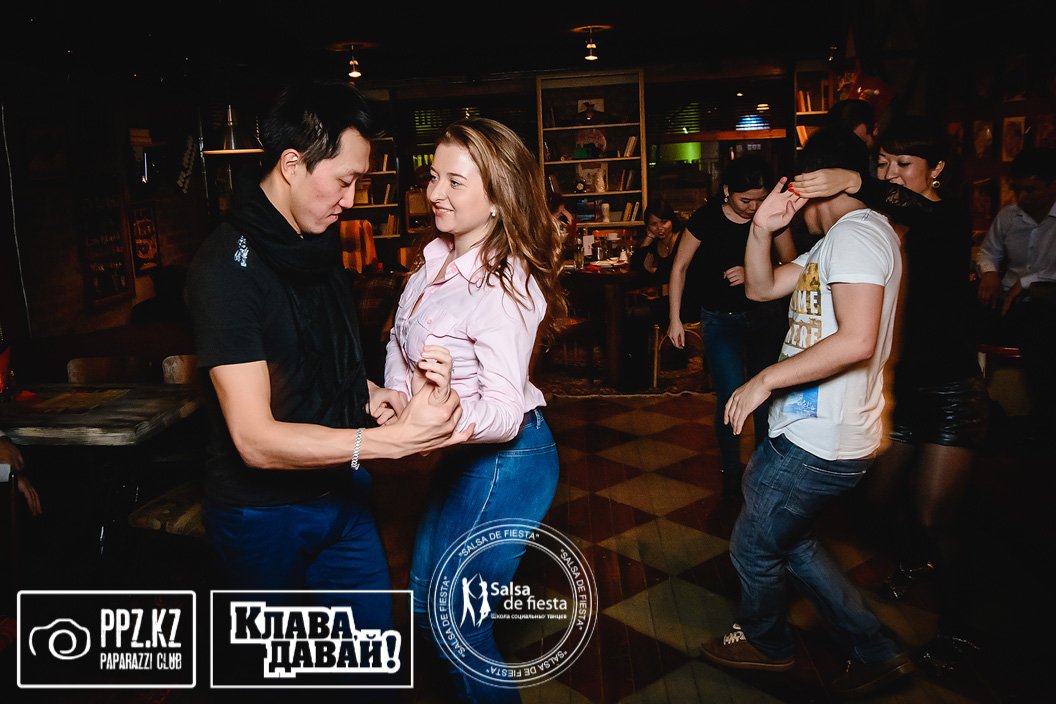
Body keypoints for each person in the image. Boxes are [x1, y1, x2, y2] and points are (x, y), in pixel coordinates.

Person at [185, 81, 470, 633]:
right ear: (292, 164)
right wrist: (386, 443)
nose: (352, 199)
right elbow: (255, 440)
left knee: (370, 657)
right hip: (263, 516)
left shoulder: (315, 239)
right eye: (344, 180)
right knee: (279, 669)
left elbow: (306, 357)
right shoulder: (225, 270)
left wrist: (369, 392)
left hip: (342, 493)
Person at [702, 127, 914, 698]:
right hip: (809, 427)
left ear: (814, 184)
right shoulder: (837, 241)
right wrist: (760, 229)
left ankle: (768, 645)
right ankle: (875, 649)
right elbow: (762, 287)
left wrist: (763, 380)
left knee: (754, 545)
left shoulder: (858, 235)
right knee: (789, 540)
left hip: (821, 436)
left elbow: (857, 340)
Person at [790, 116, 990, 673]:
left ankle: (958, 629)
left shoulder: (947, 216)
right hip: (899, 387)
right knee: (872, 504)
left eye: (904, 164)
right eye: (883, 163)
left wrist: (855, 179)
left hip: (950, 390)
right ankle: (913, 560)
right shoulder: (876, 222)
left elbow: (917, 211)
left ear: (937, 168)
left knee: (932, 515)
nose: (891, 173)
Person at [384, 117, 565, 703]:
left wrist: (442, 417)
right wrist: (399, 398)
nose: (435, 193)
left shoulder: (504, 286)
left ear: (497, 197)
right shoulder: (434, 259)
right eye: (433, 177)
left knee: (459, 623)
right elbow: (400, 339)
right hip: (464, 454)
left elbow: (505, 412)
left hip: (510, 459)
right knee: (423, 598)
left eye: (455, 182)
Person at [666, 156, 796, 495]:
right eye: (745, 200)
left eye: (760, 199)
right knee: (730, 395)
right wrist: (675, 319)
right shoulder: (706, 218)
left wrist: (754, 270)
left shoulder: (772, 217)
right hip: (720, 320)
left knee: (765, 397)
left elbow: (794, 264)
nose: (753, 208)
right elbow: (679, 267)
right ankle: (730, 472)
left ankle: (764, 470)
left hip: (765, 319)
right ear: (727, 191)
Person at [974, 147, 1056, 435]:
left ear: (1052, 185)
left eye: (1030, 190)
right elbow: (988, 251)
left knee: (1041, 333)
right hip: (1007, 302)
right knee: (957, 322)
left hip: (1046, 306)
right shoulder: (1009, 216)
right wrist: (990, 273)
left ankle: (1041, 422)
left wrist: (1028, 281)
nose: (1022, 197)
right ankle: (979, 409)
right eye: (1017, 189)